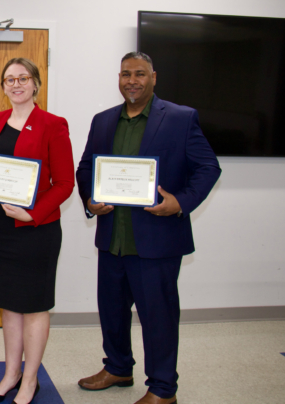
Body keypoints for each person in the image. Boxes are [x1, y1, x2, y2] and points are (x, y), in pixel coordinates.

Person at [75, 52, 221, 404]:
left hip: (157, 241)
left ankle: (162, 388)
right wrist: (90, 201)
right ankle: (118, 367)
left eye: (140, 74)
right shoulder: (104, 120)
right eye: (125, 74)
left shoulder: (181, 118)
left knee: (158, 317)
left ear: (153, 77)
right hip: (113, 239)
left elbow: (208, 168)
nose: (132, 81)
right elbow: (85, 169)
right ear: (119, 78)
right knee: (111, 310)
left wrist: (180, 202)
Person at [0, 58, 75, 404]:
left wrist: (31, 213)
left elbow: (65, 183)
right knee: (8, 305)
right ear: (3, 86)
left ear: (35, 83)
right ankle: (10, 374)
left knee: (33, 306)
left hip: (37, 230)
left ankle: (30, 379)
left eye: (23, 78)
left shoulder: (53, 124)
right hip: (1, 227)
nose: (16, 84)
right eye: (9, 79)